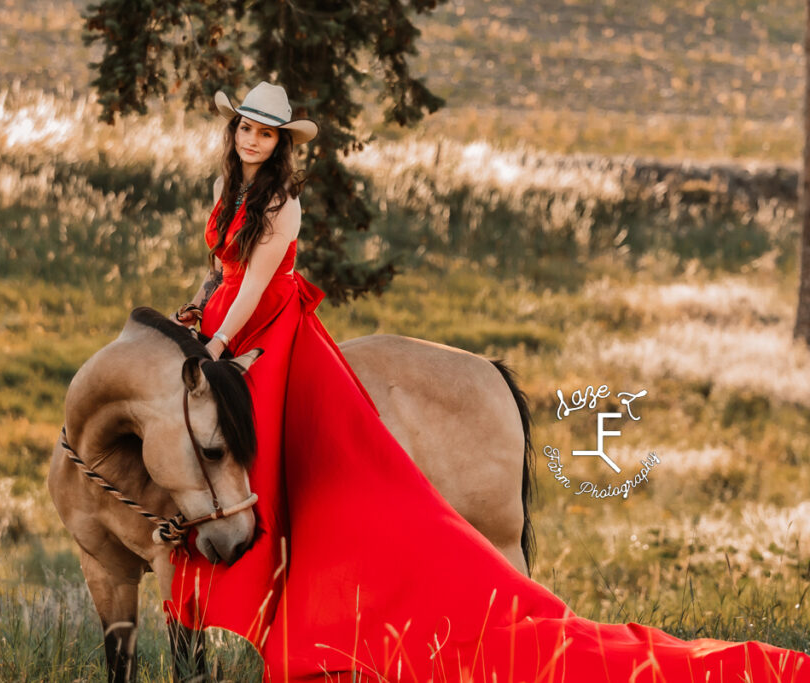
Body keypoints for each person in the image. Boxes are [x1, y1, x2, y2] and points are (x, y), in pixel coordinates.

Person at [168, 81, 809, 681]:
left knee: (242, 438)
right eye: (246, 129)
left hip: (269, 325)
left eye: (265, 133)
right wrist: (200, 312)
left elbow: (255, 283)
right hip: (227, 318)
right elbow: (222, 270)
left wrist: (221, 344)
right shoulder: (231, 191)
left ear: (281, 145)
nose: (252, 140)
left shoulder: (283, 204)